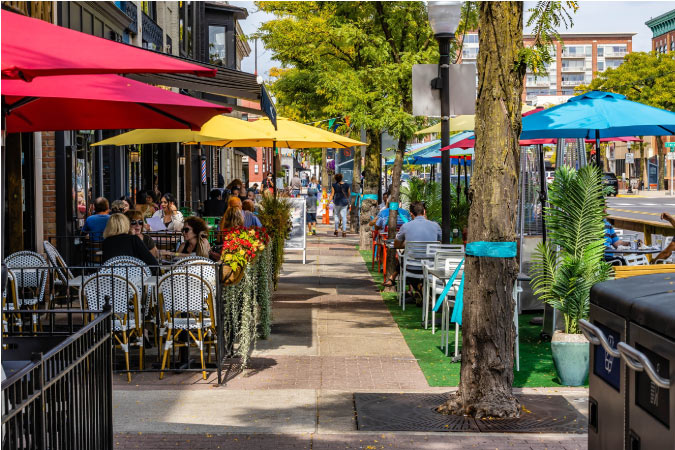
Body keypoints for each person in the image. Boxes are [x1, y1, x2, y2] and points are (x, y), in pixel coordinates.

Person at [382, 202, 441, 288]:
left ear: (411, 213)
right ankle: (419, 288)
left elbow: (396, 244)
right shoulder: (436, 226)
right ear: (424, 212)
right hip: (431, 267)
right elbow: (440, 242)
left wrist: (407, 244)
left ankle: (416, 288)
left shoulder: (406, 226)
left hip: (411, 267)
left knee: (404, 256)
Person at [328, 173, 350, 237]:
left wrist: (328, 202)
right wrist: (346, 199)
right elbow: (349, 193)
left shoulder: (334, 185)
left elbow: (332, 194)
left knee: (336, 216)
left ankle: (336, 230)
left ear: (335, 178)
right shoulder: (346, 185)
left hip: (336, 202)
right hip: (344, 203)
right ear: (341, 178)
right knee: (343, 217)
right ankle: (344, 231)